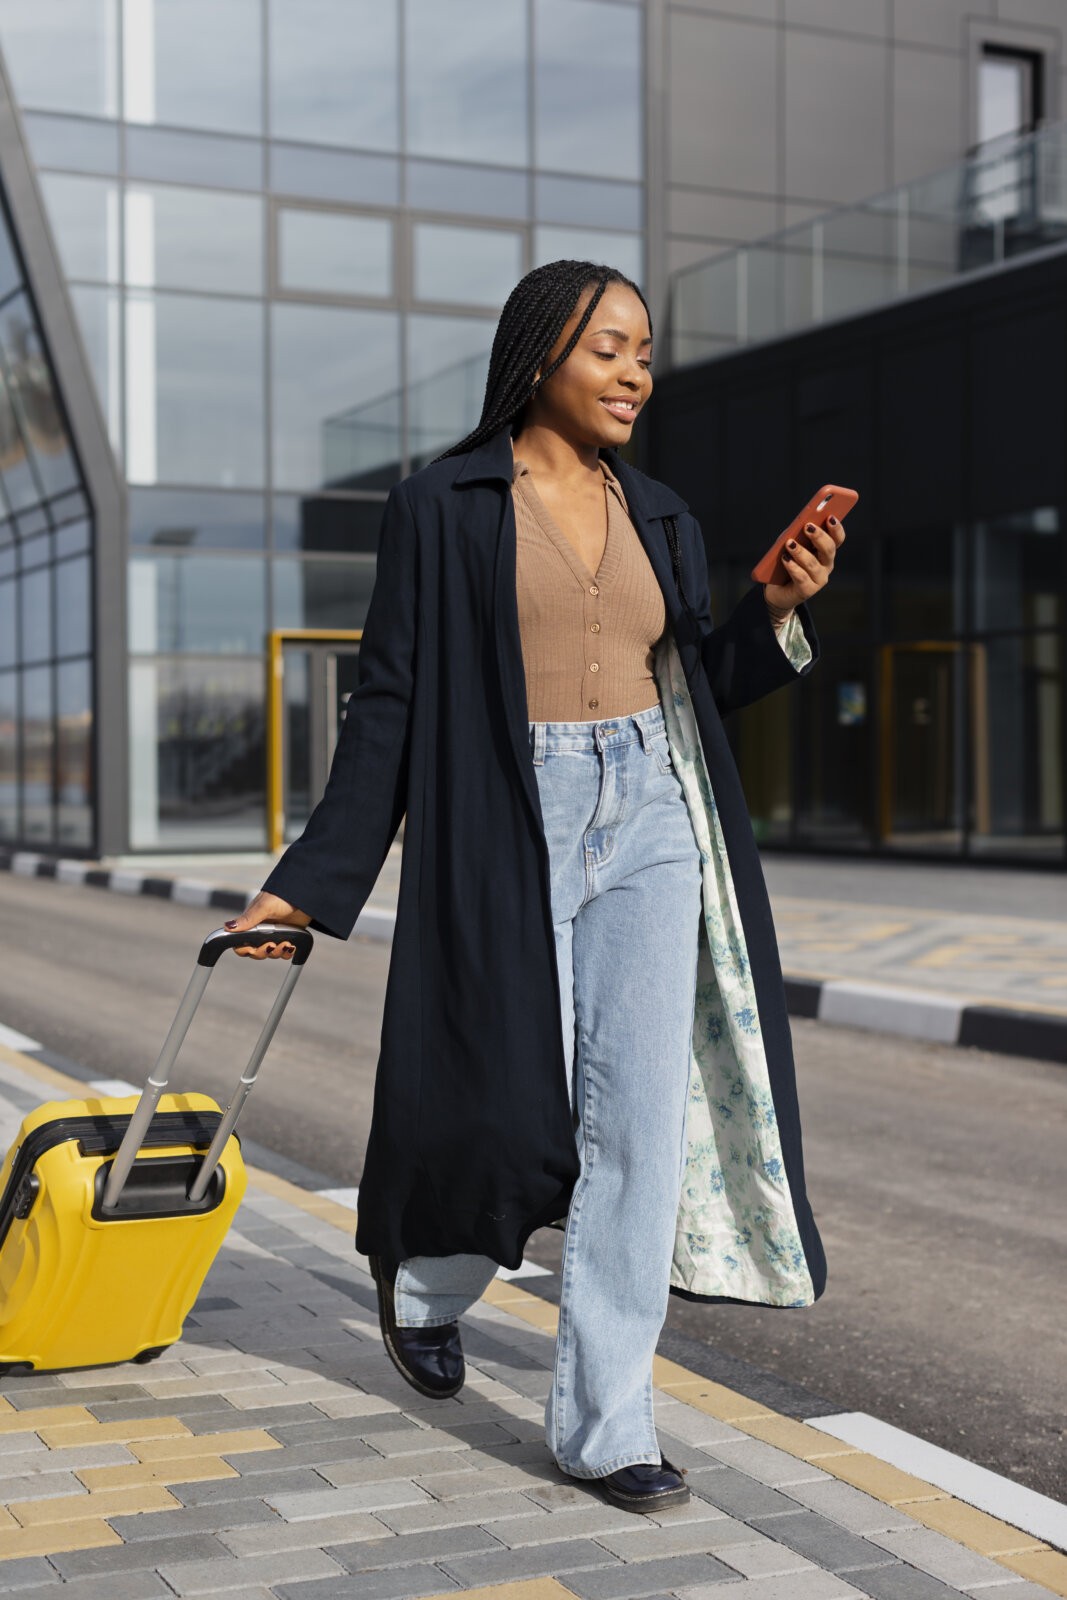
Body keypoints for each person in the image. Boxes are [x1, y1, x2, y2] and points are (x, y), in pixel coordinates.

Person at [226, 260, 843, 1514]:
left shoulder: (659, 512)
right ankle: (426, 1281)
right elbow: (389, 705)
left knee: (635, 1135)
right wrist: (305, 887)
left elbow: (693, 683)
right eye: (609, 347)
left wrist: (771, 610)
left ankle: (607, 1423)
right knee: (507, 1101)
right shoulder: (441, 507)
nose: (635, 372)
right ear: (539, 353)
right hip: (510, 810)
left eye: (644, 350)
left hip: (653, 815)